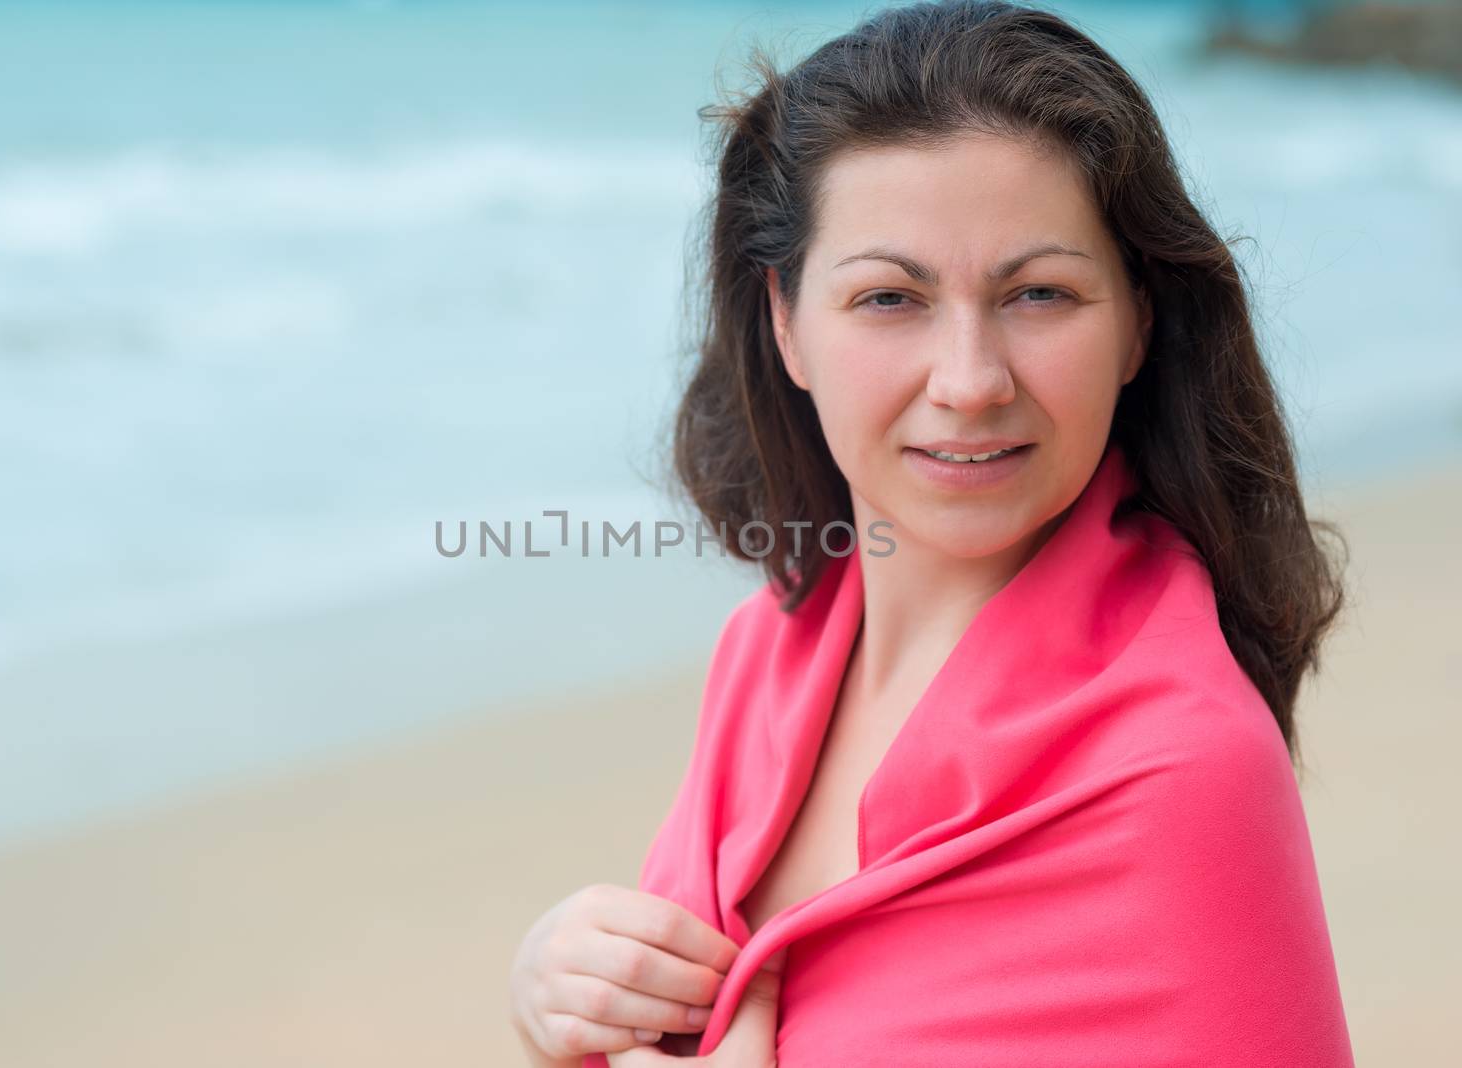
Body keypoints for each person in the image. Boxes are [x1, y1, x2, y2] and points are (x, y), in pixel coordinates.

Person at [509, 2, 1354, 1065]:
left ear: (1138, 318)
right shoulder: (769, 654)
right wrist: (562, 990)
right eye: (889, 298)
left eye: (1039, 293)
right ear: (785, 324)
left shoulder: (1182, 769)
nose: (969, 381)